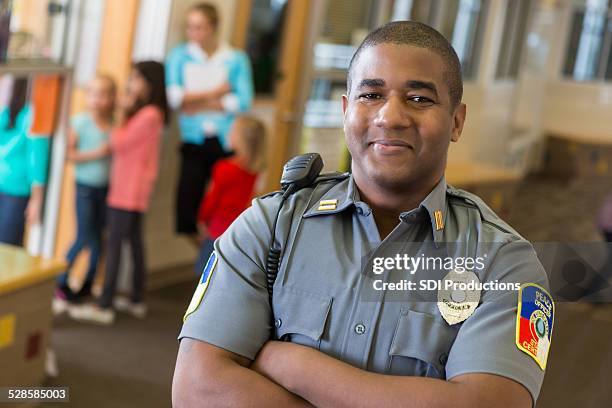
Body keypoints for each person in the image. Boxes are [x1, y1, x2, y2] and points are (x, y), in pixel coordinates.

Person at [172, 22, 553, 407]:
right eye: (371, 94)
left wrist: (294, 366)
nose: (390, 117)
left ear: (456, 121)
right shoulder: (270, 226)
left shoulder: (504, 264)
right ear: (345, 110)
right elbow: (197, 390)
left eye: (419, 99)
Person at [70, 61, 169, 325]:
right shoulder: (153, 113)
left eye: (135, 79)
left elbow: (118, 142)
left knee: (114, 244)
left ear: (149, 82)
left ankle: (104, 305)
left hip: (127, 189)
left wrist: (121, 115)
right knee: (134, 242)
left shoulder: (147, 115)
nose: (131, 84)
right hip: (134, 188)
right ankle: (136, 298)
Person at [165, 2, 254, 246]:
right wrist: (217, 92)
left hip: (225, 142)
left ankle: (216, 260)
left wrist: (194, 100)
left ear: (213, 28)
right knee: (187, 210)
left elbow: (244, 101)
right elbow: (174, 98)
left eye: (199, 28)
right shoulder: (179, 57)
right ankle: (207, 256)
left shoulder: (235, 59)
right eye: (190, 28)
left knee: (223, 209)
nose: (193, 34)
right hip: (193, 142)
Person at [55, 74, 116, 303]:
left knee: (99, 239)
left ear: (111, 98)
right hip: (85, 188)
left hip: (106, 189)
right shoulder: (80, 122)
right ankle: (60, 279)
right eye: (93, 94)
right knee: (83, 236)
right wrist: (97, 153)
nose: (98, 99)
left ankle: (88, 284)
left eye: (103, 94)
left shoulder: (113, 124)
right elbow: (69, 155)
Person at [194, 115, 266, 273]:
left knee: (205, 276)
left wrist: (202, 219)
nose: (228, 134)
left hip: (217, 231)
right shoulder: (256, 172)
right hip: (239, 233)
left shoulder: (224, 168)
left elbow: (212, 200)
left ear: (241, 139)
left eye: (232, 131)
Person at [0, 76, 49, 246]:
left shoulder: (32, 115)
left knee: (7, 248)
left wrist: (36, 200)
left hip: (17, 193)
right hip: (6, 188)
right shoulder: (6, 113)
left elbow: (37, 160)